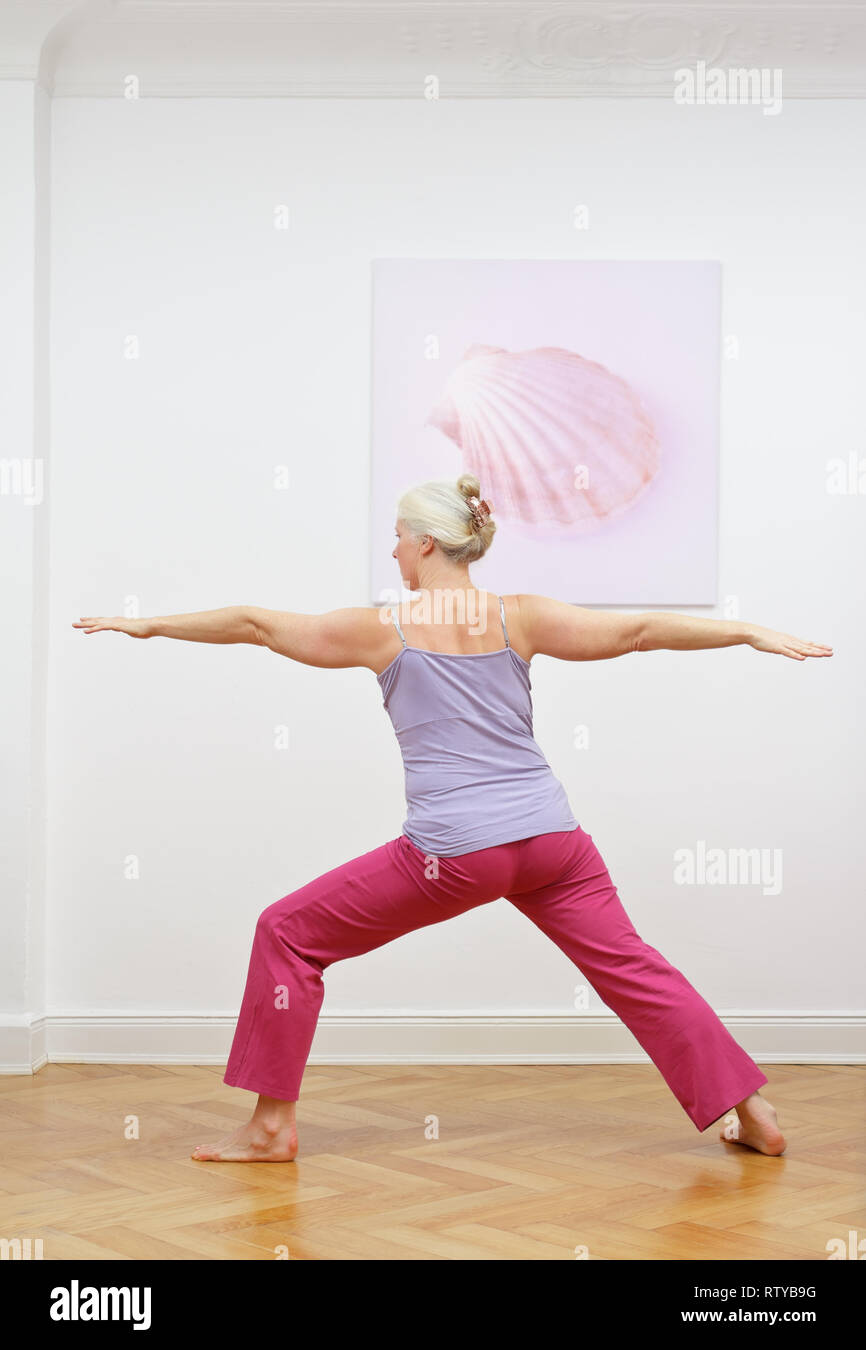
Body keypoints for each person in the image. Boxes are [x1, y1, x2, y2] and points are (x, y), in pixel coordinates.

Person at [74, 473, 832, 1163]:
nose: (394, 548)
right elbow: (636, 633)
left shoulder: (386, 631)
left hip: (455, 854)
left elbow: (256, 624)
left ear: (427, 542)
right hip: (552, 841)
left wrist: (149, 625)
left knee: (287, 932)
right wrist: (745, 631)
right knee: (635, 969)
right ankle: (754, 1112)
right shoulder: (521, 616)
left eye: (399, 535)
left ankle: (270, 1128)